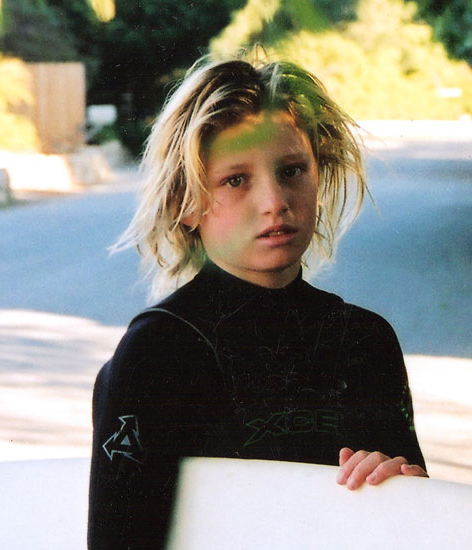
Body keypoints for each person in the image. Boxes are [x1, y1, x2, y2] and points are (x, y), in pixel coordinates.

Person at [88, 55, 427, 549]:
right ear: (186, 201)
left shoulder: (364, 340)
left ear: (319, 176)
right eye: (236, 179)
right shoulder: (159, 351)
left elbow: (418, 531)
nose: (275, 201)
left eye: (292, 170)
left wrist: (403, 488)